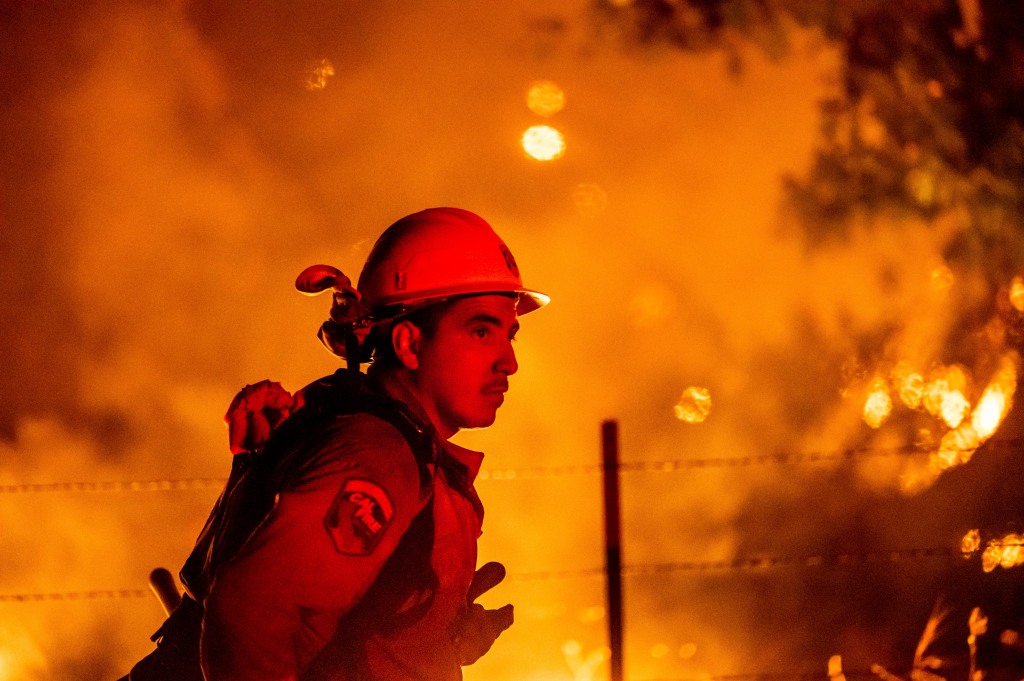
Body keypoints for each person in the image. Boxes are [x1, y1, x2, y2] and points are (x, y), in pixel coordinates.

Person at [120, 206, 549, 681]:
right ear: (407, 343)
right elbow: (249, 614)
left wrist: (431, 630)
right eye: (481, 331)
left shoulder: (395, 446)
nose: (508, 361)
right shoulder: (374, 457)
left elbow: (336, 632)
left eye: (510, 335)